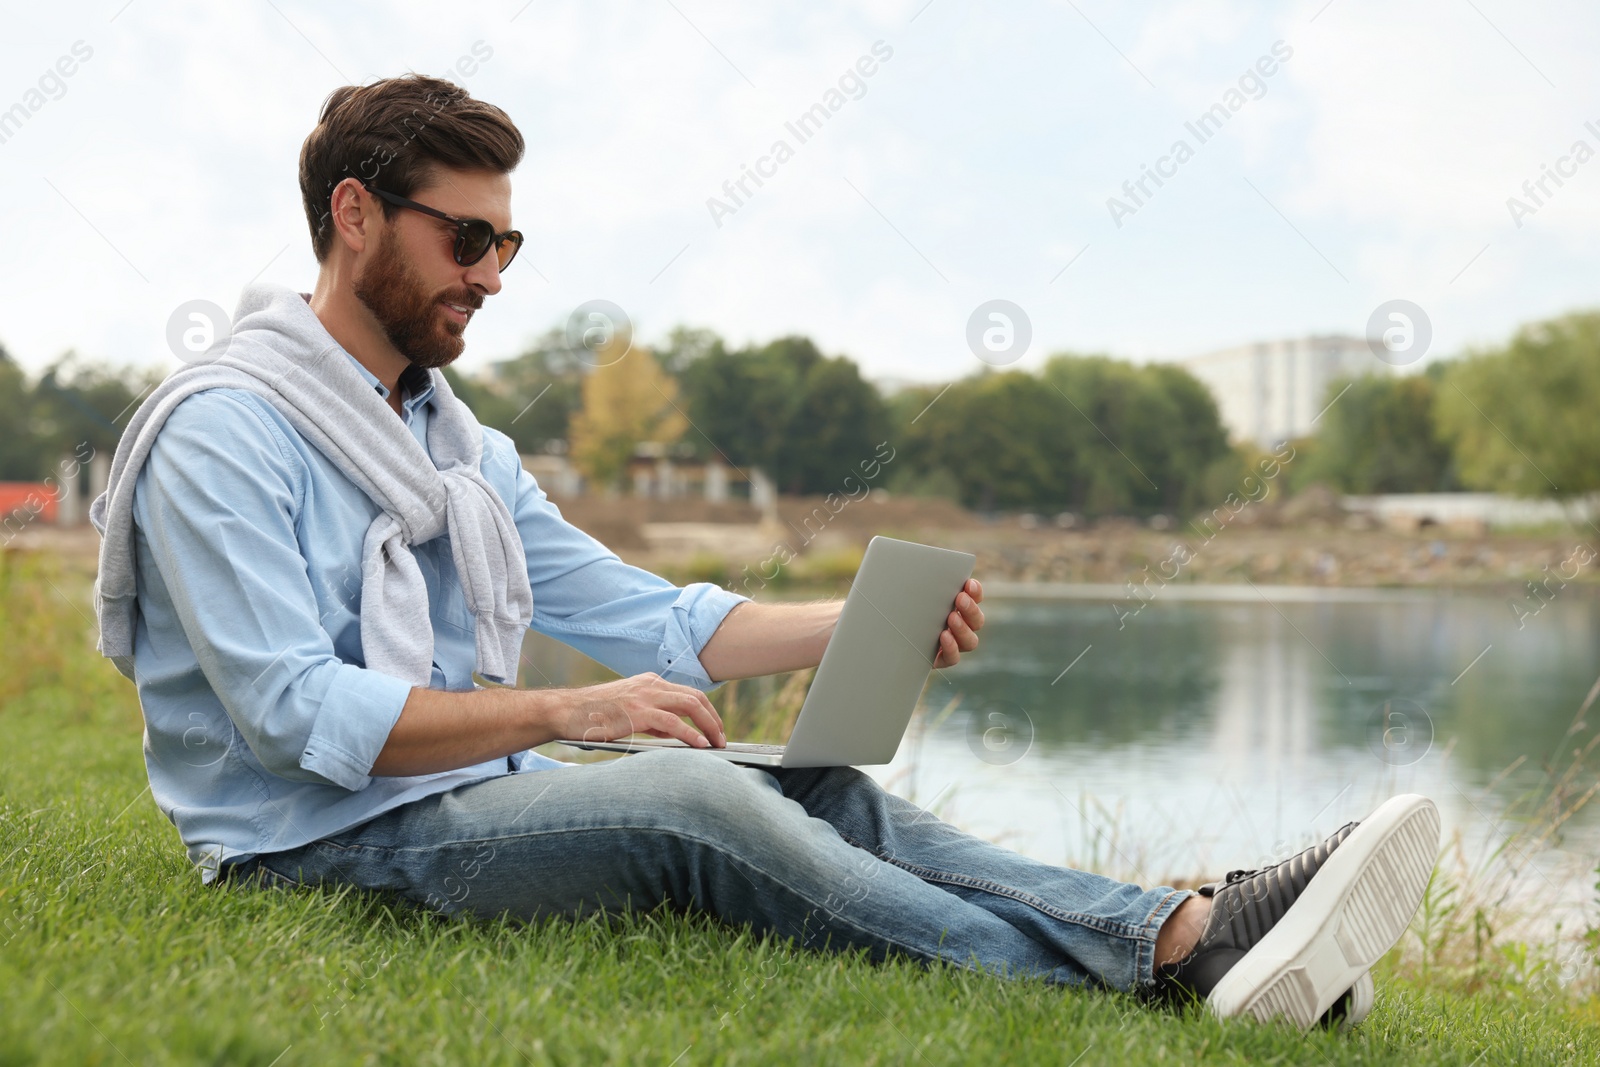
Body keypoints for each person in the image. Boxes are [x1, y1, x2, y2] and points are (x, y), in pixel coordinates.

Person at [89, 74, 1438, 1031]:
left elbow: (639, 614)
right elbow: (291, 715)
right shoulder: (227, 437)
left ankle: (1191, 935)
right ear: (356, 215)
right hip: (317, 843)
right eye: (468, 236)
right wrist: (572, 708)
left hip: (464, 793)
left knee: (814, 788)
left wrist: (854, 626)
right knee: (699, 804)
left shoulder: (455, 448)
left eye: (509, 241)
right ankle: (1170, 964)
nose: (495, 271)